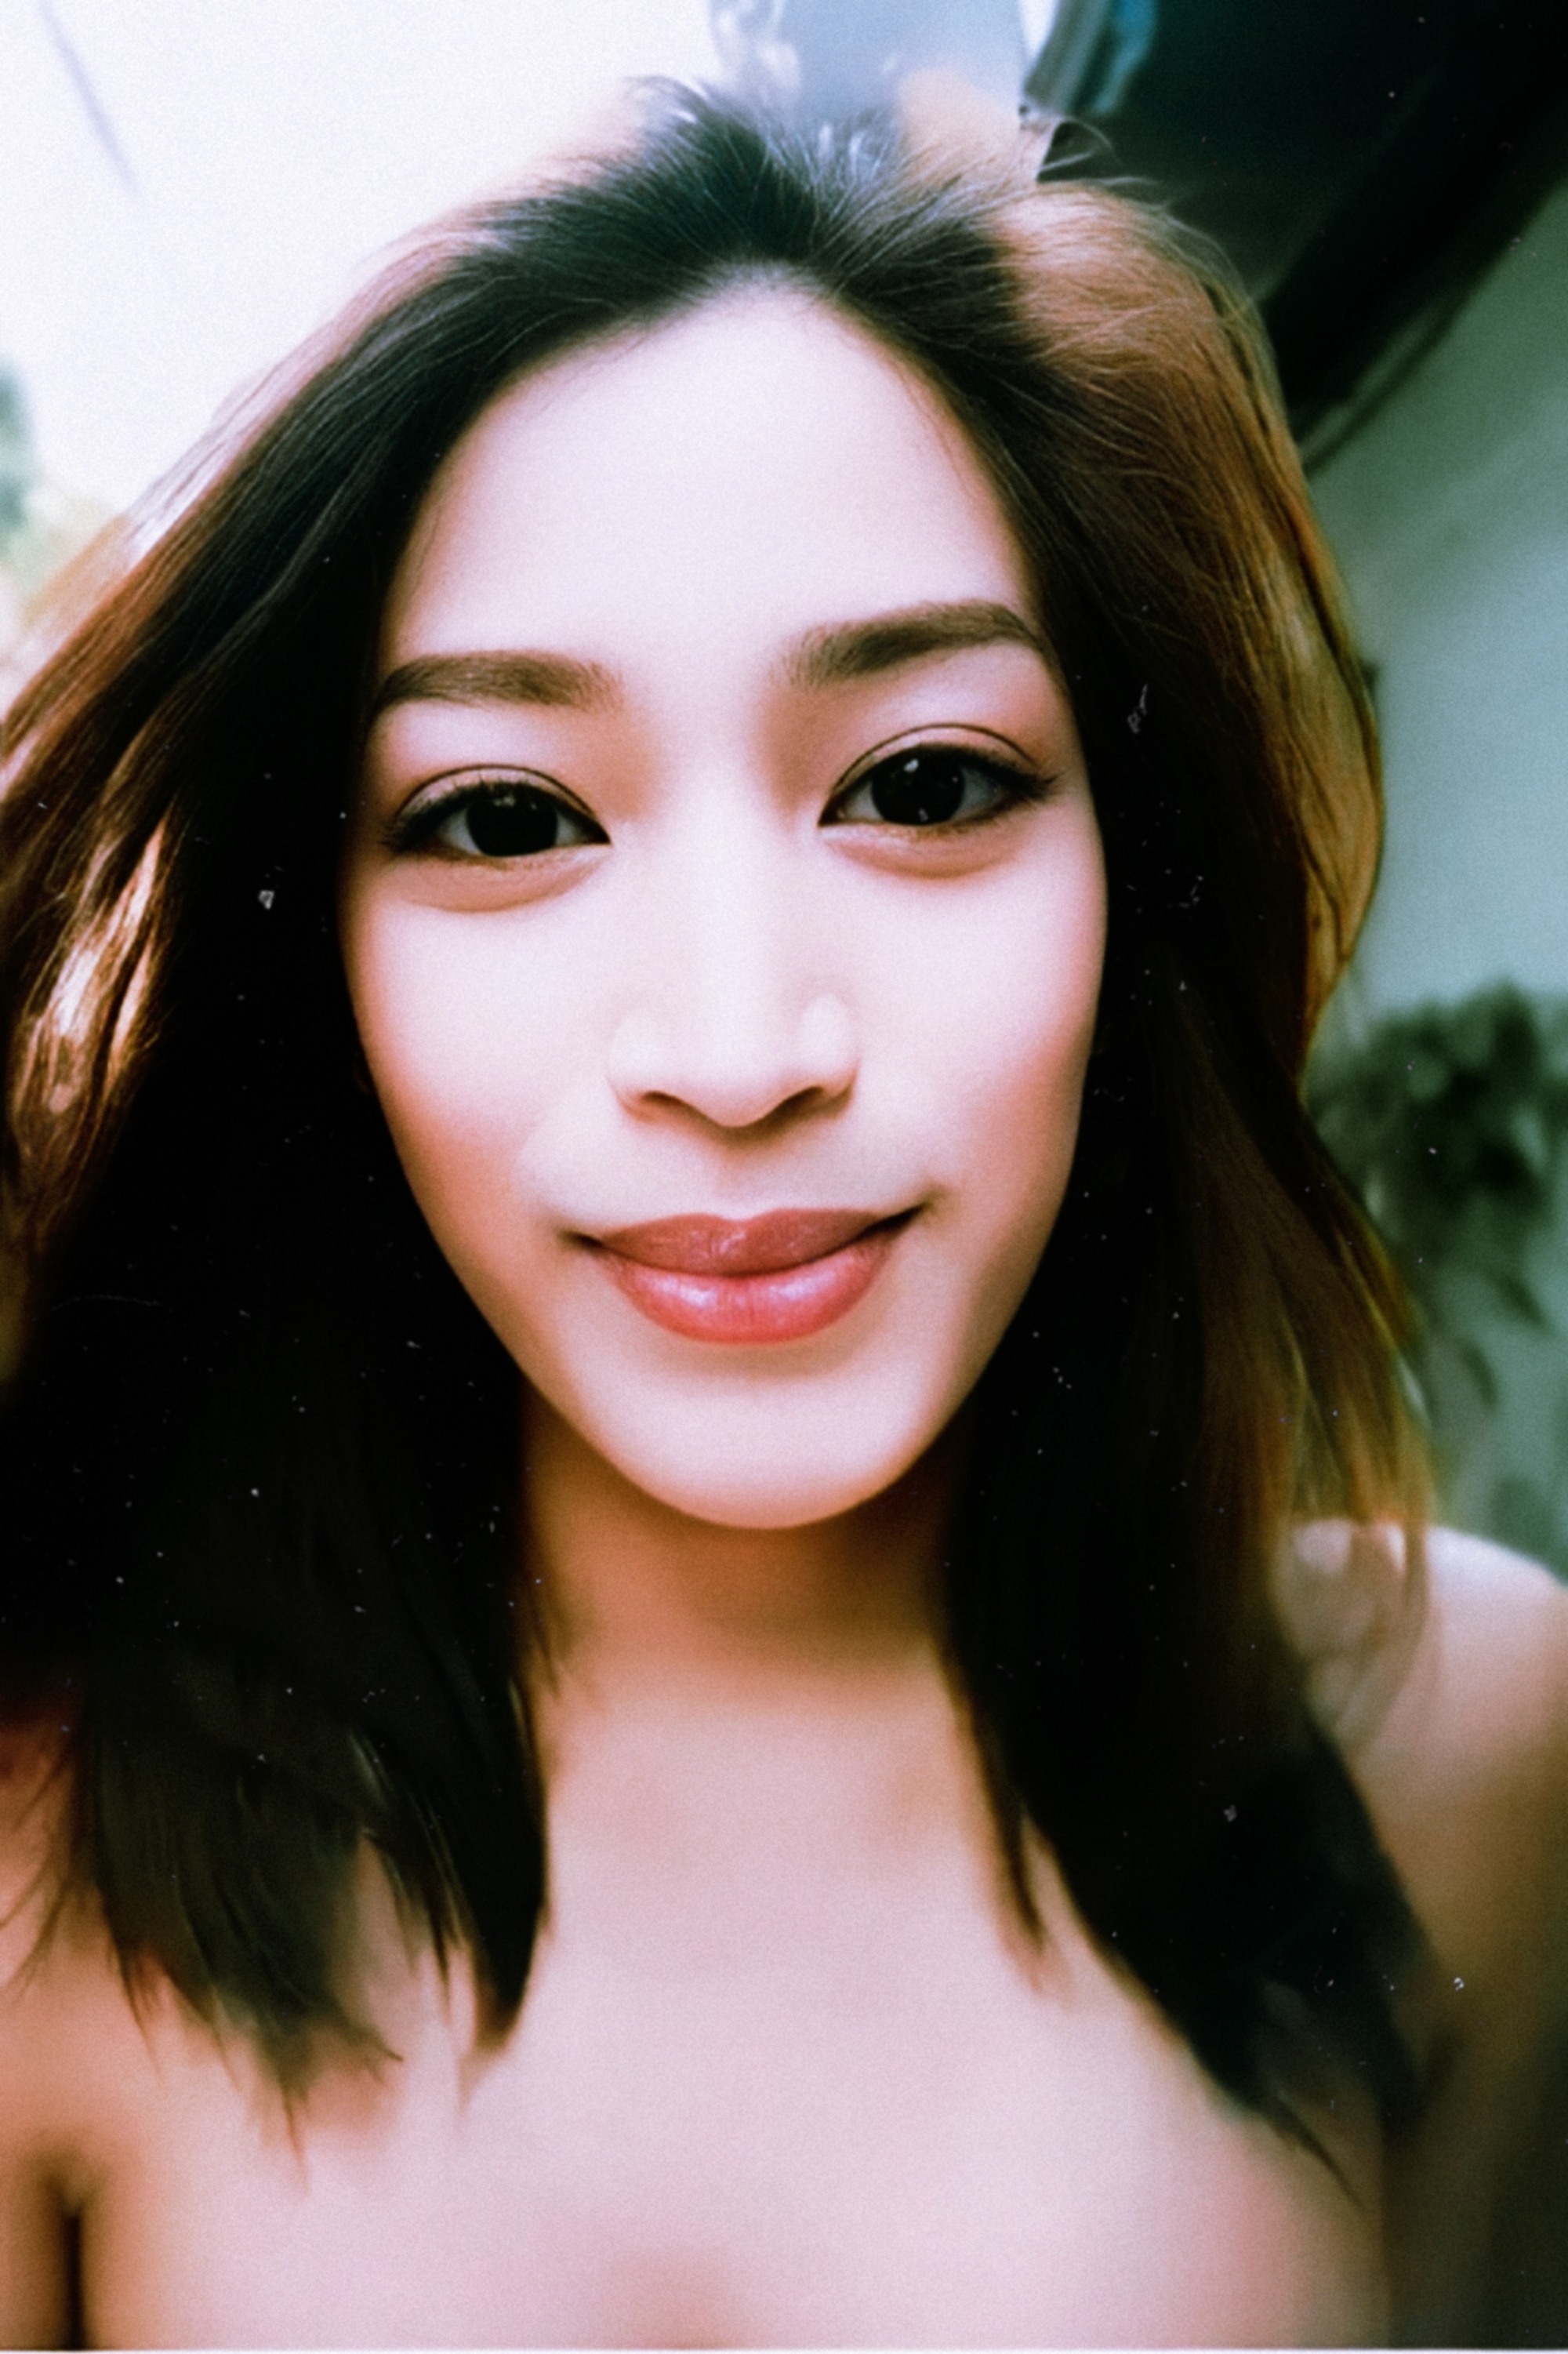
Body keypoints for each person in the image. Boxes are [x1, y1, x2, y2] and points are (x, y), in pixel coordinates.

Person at [1, 83, 1566, 2349]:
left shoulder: (1479, 1764)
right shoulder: (44, 1871)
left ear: (1137, 887)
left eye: (924, 783)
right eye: (507, 816)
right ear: (312, 949)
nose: (737, 1052)